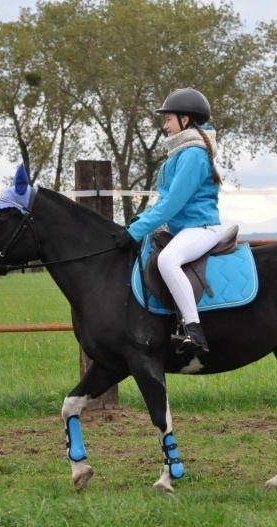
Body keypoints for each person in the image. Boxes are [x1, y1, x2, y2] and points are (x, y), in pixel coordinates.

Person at [113, 87, 223, 355]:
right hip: (183, 229)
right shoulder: (181, 154)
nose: (165, 126)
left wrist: (136, 231)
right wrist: (139, 221)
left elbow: (173, 203)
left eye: (168, 119)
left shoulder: (193, 155)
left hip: (201, 228)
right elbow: (165, 202)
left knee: (167, 260)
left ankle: (194, 331)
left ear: (185, 120)